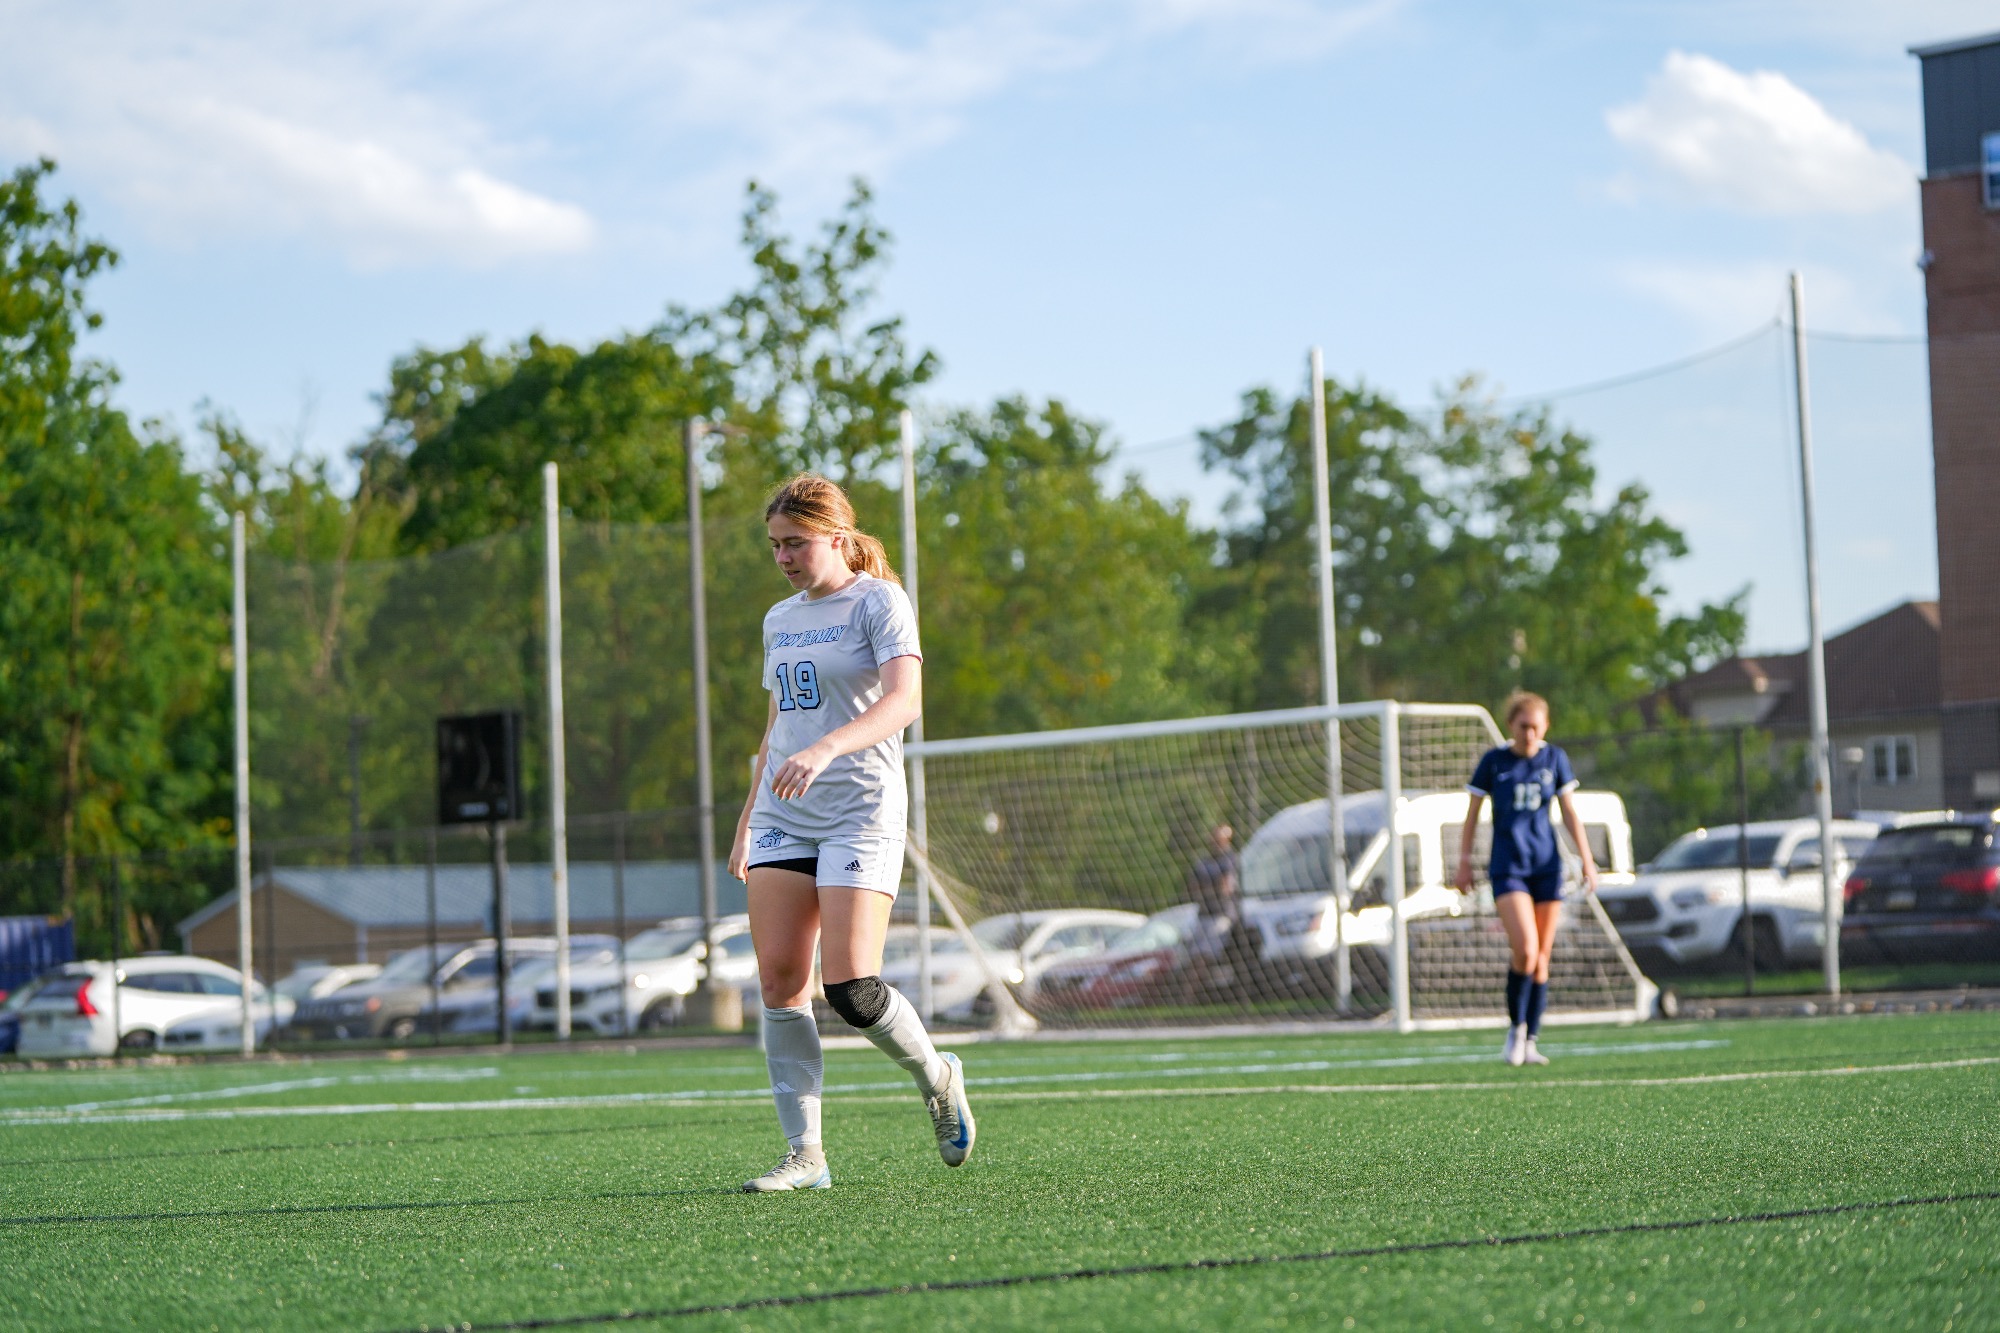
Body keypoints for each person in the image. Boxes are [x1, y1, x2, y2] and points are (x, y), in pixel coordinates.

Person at [726, 472, 975, 1192]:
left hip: (860, 809)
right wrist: (748, 816)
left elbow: (907, 699)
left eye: (796, 542)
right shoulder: (779, 619)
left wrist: (829, 746)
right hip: (784, 812)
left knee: (851, 987)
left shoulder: (879, 602)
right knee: (778, 978)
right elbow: (778, 725)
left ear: (836, 536)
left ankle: (937, 1076)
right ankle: (807, 1154)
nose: (784, 557)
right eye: (775, 545)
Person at [1452, 691, 1598, 1067]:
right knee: (1526, 951)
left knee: (1542, 960)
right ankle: (1515, 1031)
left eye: (1536, 726)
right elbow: (1471, 816)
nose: (1529, 733)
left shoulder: (1555, 759)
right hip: (1508, 868)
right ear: (1511, 726)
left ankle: (1531, 1039)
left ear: (1545, 726)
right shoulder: (1494, 761)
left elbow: (1569, 812)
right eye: (1523, 726)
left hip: (1547, 868)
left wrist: (1586, 859)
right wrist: (1464, 862)